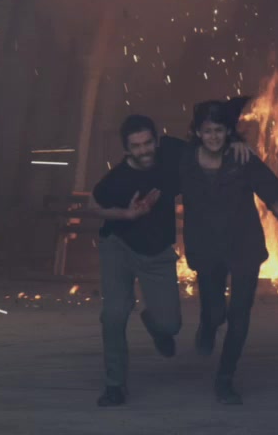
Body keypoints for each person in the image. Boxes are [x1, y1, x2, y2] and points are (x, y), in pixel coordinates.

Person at [88, 114, 250, 407]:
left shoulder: (173, 152)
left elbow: (208, 143)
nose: (144, 150)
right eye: (136, 146)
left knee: (170, 325)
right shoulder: (117, 179)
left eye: (148, 143)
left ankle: (154, 323)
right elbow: (93, 204)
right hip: (118, 247)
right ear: (126, 149)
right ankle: (115, 386)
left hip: (157, 252)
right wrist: (127, 214)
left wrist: (236, 142)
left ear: (156, 140)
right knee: (114, 315)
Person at [178, 96, 278, 405]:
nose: (213, 136)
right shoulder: (185, 161)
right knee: (216, 311)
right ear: (198, 133)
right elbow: (158, 166)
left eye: (219, 130)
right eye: (207, 131)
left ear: (227, 132)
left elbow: (269, 185)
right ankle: (207, 326)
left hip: (243, 244)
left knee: (240, 313)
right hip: (206, 246)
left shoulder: (241, 158)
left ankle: (225, 378)